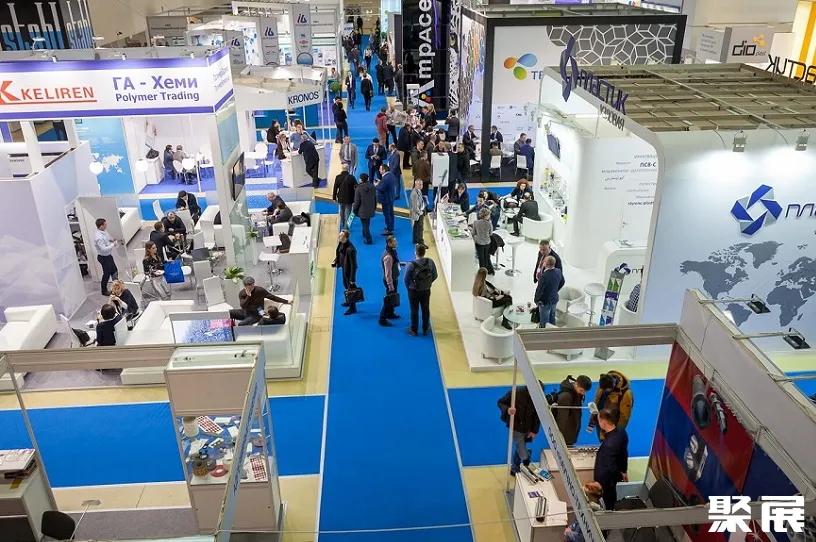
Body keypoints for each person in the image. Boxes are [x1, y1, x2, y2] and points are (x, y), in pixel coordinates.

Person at [498, 383, 542, 475]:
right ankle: (526, 457)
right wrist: (508, 409)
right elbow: (500, 402)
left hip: (528, 427)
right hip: (516, 426)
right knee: (521, 448)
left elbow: (538, 415)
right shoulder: (516, 392)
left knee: (520, 446)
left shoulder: (539, 397)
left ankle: (515, 467)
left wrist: (534, 431)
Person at [593, 409, 629, 510]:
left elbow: (611, 467)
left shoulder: (608, 445)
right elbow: (624, 453)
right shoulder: (622, 432)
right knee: (611, 497)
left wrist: (620, 476)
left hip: (605, 480)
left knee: (608, 503)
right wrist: (623, 471)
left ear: (603, 422)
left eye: (599, 420)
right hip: (612, 478)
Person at [587, 371, 634, 440]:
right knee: (603, 441)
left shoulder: (626, 394)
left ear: (613, 385)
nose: (604, 391)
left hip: (612, 425)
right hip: (600, 421)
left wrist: (617, 432)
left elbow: (624, 416)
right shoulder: (603, 383)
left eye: (606, 389)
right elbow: (597, 401)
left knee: (610, 444)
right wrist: (592, 422)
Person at [404, 243, 437, 336]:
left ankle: (414, 330)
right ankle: (425, 329)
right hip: (426, 290)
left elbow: (406, 279)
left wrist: (409, 288)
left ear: (416, 252)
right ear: (424, 252)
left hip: (413, 290)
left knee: (414, 310)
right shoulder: (430, 262)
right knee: (425, 308)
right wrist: (427, 283)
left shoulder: (411, 265)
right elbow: (435, 275)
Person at [554, 375, 593, 446]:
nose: (583, 393)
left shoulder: (577, 392)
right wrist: (559, 436)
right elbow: (561, 418)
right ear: (576, 384)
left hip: (571, 432)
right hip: (564, 434)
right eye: (582, 390)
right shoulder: (566, 396)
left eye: (584, 392)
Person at [332, 230, 358, 316]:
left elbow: (354, 265)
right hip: (344, 268)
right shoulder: (341, 244)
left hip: (349, 272)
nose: (339, 237)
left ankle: (352, 308)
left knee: (351, 289)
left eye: (341, 236)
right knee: (345, 285)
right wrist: (336, 261)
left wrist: (352, 279)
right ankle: (349, 301)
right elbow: (339, 254)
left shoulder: (351, 250)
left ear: (346, 238)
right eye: (339, 235)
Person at [380, 235, 403, 326]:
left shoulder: (391, 251)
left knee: (391, 298)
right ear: (389, 243)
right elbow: (388, 273)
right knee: (389, 299)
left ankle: (390, 313)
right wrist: (390, 286)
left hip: (393, 279)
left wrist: (399, 264)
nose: (396, 242)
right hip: (391, 281)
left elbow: (393, 263)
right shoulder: (388, 257)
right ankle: (382, 318)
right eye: (394, 241)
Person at [94, 218, 119, 296]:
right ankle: (104, 290)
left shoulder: (103, 232)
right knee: (106, 274)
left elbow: (106, 241)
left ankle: (116, 286)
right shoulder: (98, 237)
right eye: (105, 224)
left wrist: (111, 241)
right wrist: (113, 245)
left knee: (114, 270)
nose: (106, 225)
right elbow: (103, 249)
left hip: (108, 256)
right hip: (103, 257)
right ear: (101, 226)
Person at [534, 255, 561, 327]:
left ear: (546, 264)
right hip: (555, 299)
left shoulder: (544, 276)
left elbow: (540, 290)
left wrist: (537, 300)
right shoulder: (558, 271)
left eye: (544, 261)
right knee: (552, 316)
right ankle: (553, 329)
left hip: (545, 302)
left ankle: (544, 332)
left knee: (544, 321)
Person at [353, 173, 377, 244]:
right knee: (367, 222)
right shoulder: (372, 187)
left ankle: (368, 239)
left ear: (361, 179)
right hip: (370, 208)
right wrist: (374, 207)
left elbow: (357, 202)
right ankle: (364, 233)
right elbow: (375, 198)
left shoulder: (358, 189)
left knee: (365, 225)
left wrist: (354, 210)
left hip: (362, 210)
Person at [470, 208, 495, 275]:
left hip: (479, 243)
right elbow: (491, 233)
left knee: (481, 257)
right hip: (487, 243)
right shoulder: (489, 224)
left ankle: (482, 273)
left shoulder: (476, 222)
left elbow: (473, 233)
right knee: (486, 256)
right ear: (487, 215)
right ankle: (488, 270)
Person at [333, 163, 357, 229]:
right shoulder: (352, 177)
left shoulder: (338, 177)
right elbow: (356, 187)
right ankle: (346, 227)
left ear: (342, 168)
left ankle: (343, 222)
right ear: (348, 169)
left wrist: (334, 197)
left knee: (341, 210)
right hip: (349, 198)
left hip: (340, 197)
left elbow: (335, 188)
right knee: (348, 212)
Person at [375, 164, 396, 235]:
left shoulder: (385, 178)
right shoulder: (391, 175)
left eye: (380, 169)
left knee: (387, 214)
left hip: (386, 199)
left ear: (384, 170)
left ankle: (389, 230)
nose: (379, 170)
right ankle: (391, 227)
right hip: (391, 197)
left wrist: (377, 185)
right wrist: (381, 182)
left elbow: (381, 189)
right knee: (391, 213)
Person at [410, 179, 426, 245]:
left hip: (419, 212)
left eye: (422, 184)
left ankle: (415, 240)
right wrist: (420, 213)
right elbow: (415, 207)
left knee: (416, 226)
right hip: (418, 213)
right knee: (420, 228)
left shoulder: (418, 191)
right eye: (420, 185)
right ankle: (420, 242)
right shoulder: (414, 194)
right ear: (416, 185)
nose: (421, 186)